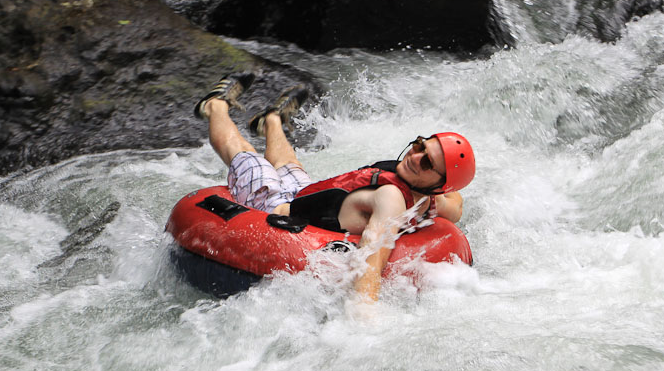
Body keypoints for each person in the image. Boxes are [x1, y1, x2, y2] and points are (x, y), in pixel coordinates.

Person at [195, 72, 475, 304]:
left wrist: (362, 322)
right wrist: (436, 187)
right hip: (308, 196)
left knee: (243, 153)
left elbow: (371, 260)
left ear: (438, 184)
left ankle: (214, 105)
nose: (414, 158)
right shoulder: (431, 201)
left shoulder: (391, 198)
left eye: (427, 162)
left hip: (274, 207)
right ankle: (271, 121)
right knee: (288, 162)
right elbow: (457, 206)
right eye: (419, 146)